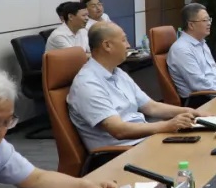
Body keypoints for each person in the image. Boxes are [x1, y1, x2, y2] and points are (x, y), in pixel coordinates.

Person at [68, 22, 198, 150]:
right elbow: (119, 130)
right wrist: (167, 125)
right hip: (120, 153)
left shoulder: (118, 72)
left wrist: (191, 111)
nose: (128, 45)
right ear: (107, 45)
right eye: (124, 40)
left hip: (143, 141)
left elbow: (151, 107)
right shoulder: (87, 84)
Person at [167, 3, 216, 101]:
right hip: (200, 100)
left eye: (209, 19)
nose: (209, 23)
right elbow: (198, 84)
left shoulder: (202, 42)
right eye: (205, 20)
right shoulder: (181, 49)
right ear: (191, 25)